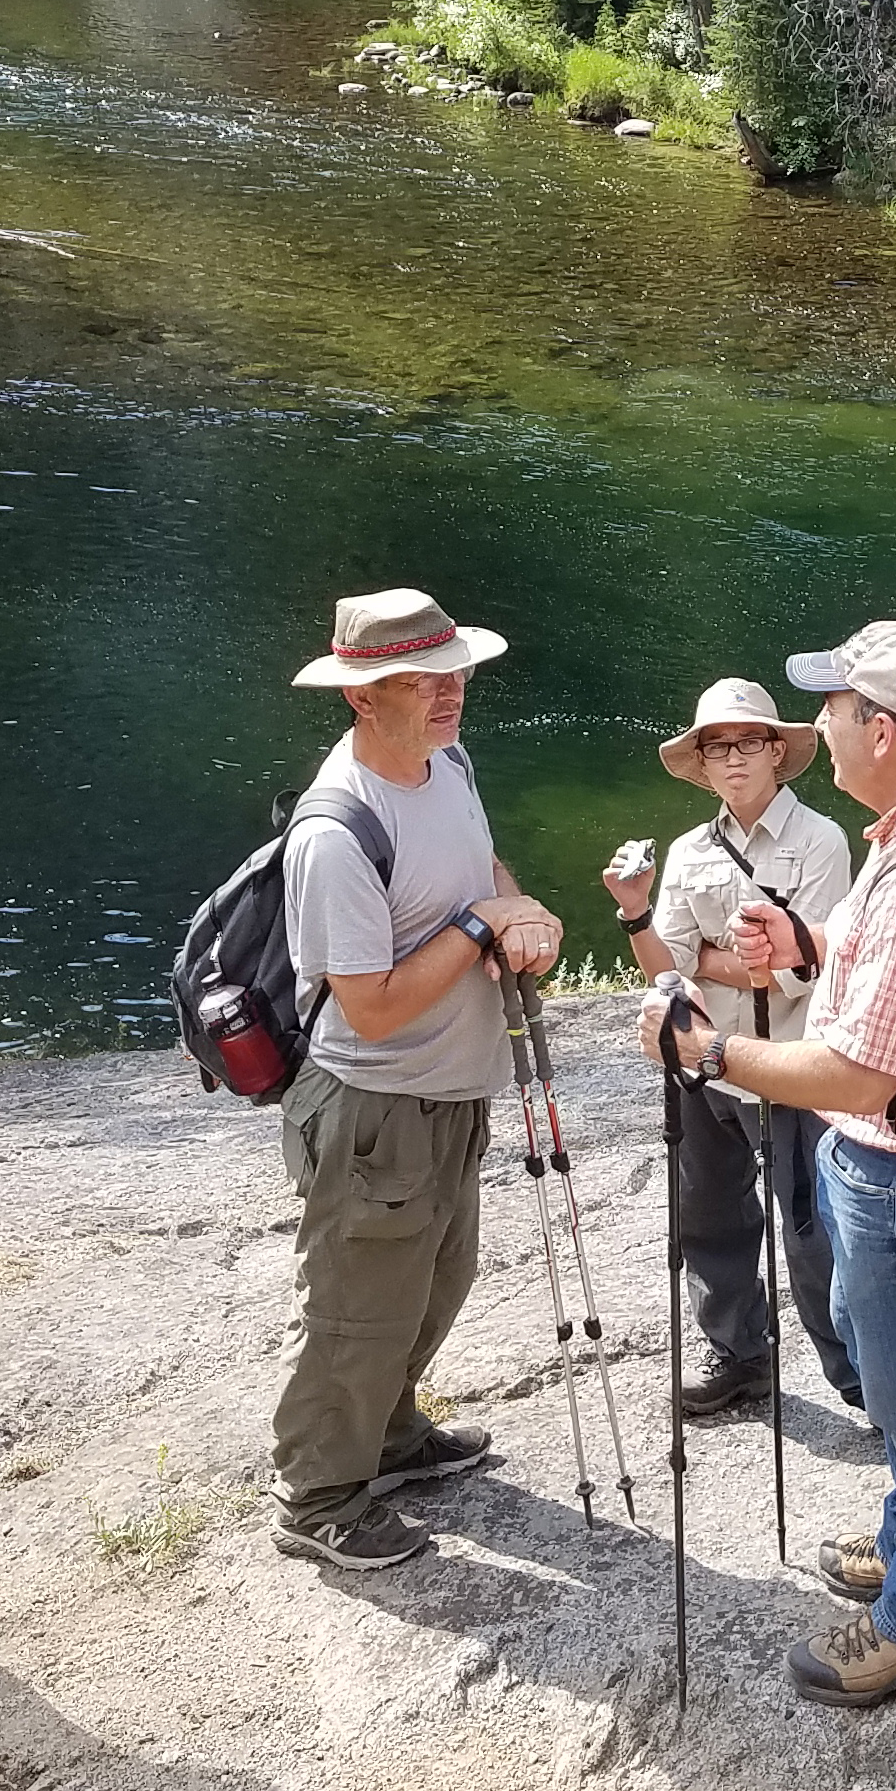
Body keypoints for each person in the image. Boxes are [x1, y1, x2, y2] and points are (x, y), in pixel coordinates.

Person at [640, 618, 896, 1710]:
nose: (819, 728)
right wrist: (807, 951)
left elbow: (857, 1077)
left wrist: (711, 1051)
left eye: (836, 711)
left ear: (885, 732)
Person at [268, 588, 563, 1572]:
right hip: (373, 1109)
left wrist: (521, 912)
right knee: (361, 1309)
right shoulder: (334, 832)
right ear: (363, 697)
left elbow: (482, 869)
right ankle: (320, 1495)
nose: (453, 694)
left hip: (449, 1093)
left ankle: (388, 1438)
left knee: (438, 1278)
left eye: (458, 673)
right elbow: (371, 1005)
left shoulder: (447, 762)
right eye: (424, 682)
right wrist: (483, 926)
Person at [606, 679, 858, 1417]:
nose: (734, 759)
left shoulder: (822, 841)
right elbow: (666, 969)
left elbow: (799, 972)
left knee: (814, 1235)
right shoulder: (688, 851)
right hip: (704, 1070)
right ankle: (740, 1356)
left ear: (778, 752)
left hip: (792, 1067)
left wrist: (710, 959)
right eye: (717, 747)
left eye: (749, 742)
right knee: (709, 1218)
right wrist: (635, 911)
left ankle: (861, 1379)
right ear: (703, 764)